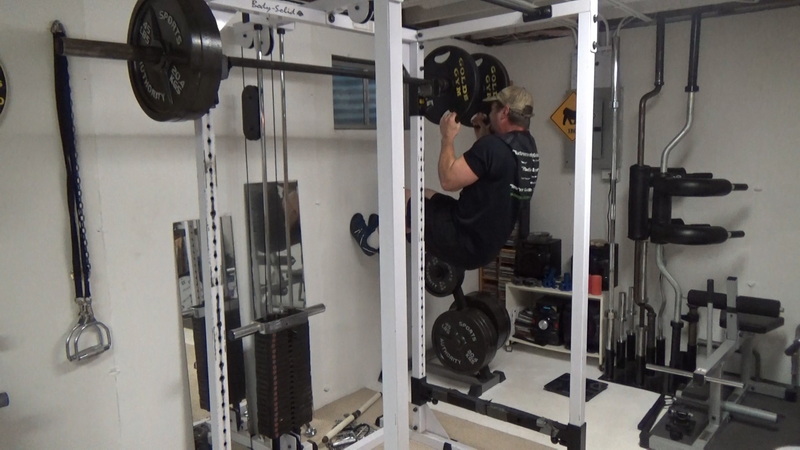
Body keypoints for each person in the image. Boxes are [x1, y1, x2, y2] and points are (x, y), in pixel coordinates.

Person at [351, 85, 539, 270]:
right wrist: (482, 136)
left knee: (401, 200)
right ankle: (391, 231)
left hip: (461, 237)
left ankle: (370, 242)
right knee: (423, 195)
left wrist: (447, 137)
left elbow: (448, 180)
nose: (489, 114)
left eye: (492, 109)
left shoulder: (493, 147)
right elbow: (496, 173)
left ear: (504, 111)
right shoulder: (528, 148)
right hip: (486, 245)